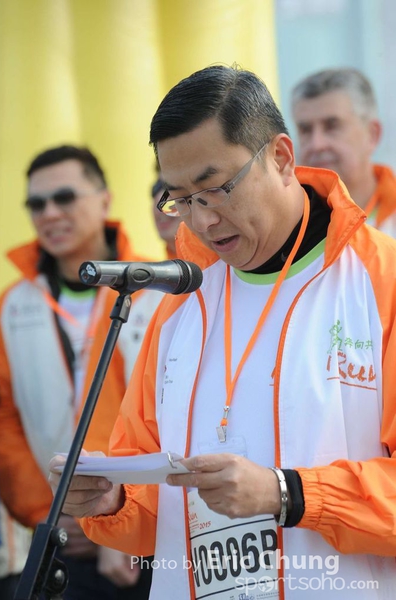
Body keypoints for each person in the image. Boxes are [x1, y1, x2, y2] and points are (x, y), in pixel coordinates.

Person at [49, 66, 396, 600]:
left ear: (281, 157)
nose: (202, 221)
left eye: (215, 189)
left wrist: (288, 493)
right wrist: (110, 501)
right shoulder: (178, 304)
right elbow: (151, 503)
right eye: (181, 199)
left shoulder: (381, 279)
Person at [0, 145, 154, 599]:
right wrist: (52, 513)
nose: (49, 213)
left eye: (64, 197)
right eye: (36, 204)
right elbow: (4, 422)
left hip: (148, 532)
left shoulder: (157, 290)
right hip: (61, 539)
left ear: (105, 200)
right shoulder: (12, 305)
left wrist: (123, 510)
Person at [291, 67, 396, 236]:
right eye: (305, 130)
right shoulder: (282, 229)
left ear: (372, 134)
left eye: (332, 126)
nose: (317, 144)